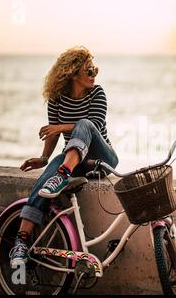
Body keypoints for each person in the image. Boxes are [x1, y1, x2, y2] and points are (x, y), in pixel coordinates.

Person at [9, 46, 119, 266]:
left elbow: (94, 125)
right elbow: (51, 133)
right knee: (44, 182)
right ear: (73, 73)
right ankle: (20, 242)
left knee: (85, 124)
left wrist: (59, 128)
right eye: (89, 70)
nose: (94, 74)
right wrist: (44, 157)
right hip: (74, 159)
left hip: (101, 160)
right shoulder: (57, 99)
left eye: (95, 69)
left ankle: (63, 172)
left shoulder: (97, 93)